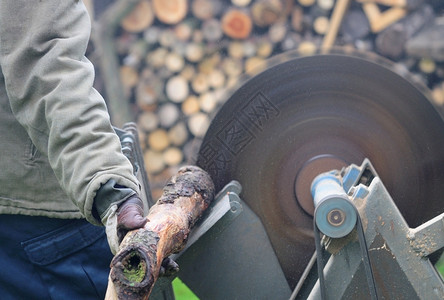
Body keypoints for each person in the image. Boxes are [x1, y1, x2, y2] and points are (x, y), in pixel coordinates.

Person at [0, 0, 148, 298]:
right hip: (38, 231)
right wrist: (108, 185)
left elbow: (43, 59)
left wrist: (105, 183)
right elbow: (45, 63)